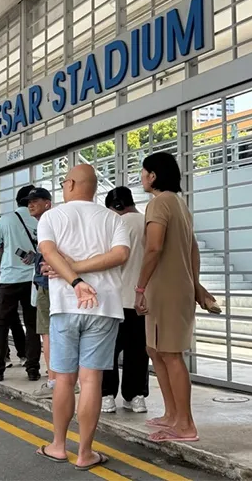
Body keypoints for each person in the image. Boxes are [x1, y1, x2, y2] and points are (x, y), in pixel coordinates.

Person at [35, 164, 130, 469]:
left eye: (64, 182)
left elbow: (49, 253)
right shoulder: (113, 218)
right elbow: (119, 255)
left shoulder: (52, 216)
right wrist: (82, 269)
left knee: (64, 379)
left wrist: (74, 275)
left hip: (65, 306)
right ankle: (85, 452)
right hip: (103, 308)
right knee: (91, 381)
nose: (63, 186)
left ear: (72, 183)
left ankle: (59, 446)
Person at [134, 151, 214, 444]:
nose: (141, 177)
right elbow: (193, 249)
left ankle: (185, 424)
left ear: (153, 175)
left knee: (169, 354)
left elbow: (153, 248)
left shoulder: (158, 203)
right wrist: (196, 285)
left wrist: (140, 288)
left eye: (144, 172)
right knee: (156, 351)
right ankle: (172, 414)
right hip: (175, 287)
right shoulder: (180, 204)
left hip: (164, 288)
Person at [0, 185, 41, 382]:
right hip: (32, 279)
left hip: (8, 278)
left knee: (1, 324)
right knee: (33, 324)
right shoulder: (39, 220)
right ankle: (33, 368)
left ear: (17, 201)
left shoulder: (6, 219)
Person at [101, 187, 150, 414]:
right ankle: (136, 396)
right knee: (138, 351)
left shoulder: (116, 225)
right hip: (142, 300)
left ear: (116, 207)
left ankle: (107, 396)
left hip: (115, 299)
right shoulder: (149, 222)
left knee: (108, 350)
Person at [23, 187, 55, 398]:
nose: (31, 204)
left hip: (48, 284)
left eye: (36, 200)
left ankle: (53, 381)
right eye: (29, 202)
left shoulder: (47, 222)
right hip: (51, 283)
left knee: (47, 333)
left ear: (47, 203)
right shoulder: (48, 222)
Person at [0, 214, 25, 368]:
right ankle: (24, 356)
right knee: (16, 323)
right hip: (16, 282)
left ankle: (4, 358)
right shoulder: (15, 236)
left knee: (0, 325)